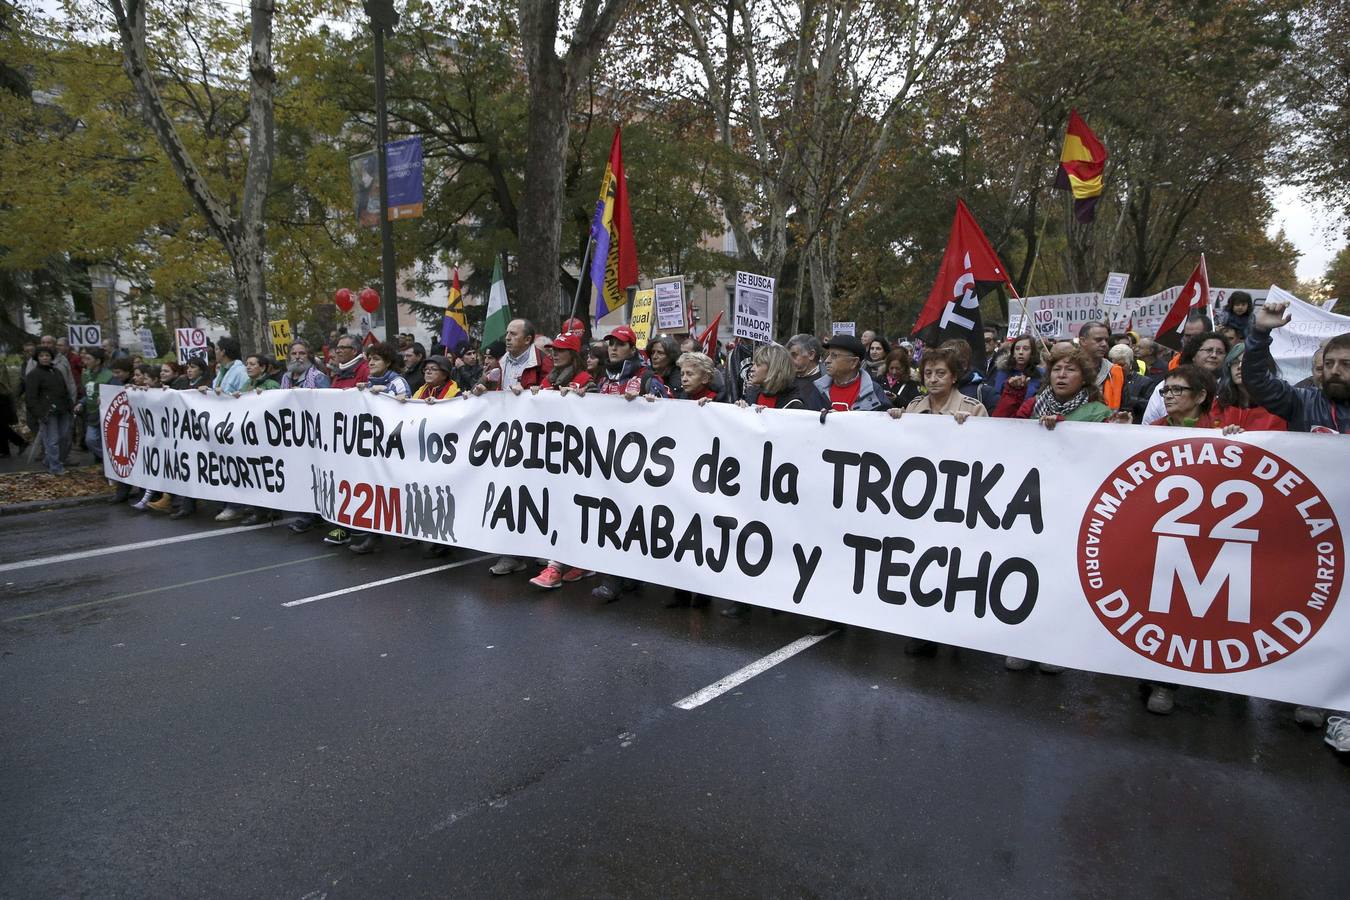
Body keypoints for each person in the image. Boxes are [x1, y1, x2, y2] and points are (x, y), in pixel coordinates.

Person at [528, 332, 598, 588]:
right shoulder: (548, 380)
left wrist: (585, 399)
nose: (555, 354)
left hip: (576, 459)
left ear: (573, 355)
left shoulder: (585, 381)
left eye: (561, 350)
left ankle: (555, 568)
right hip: (552, 458)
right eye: (553, 350)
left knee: (570, 509)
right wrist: (531, 396)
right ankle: (574, 561)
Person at [1243, 298, 1350, 434]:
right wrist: (1260, 332)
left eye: (1346, 364)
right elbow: (1257, 381)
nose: (1334, 371)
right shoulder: (1303, 403)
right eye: (1328, 363)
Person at [345, 343, 412, 555]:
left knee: (399, 489)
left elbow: (408, 409)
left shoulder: (398, 383)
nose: (371, 363)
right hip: (377, 446)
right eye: (370, 359)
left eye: (377, 359)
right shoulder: (369, 383)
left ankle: (410, 533)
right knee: (377, 490)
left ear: (388, 362)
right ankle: (373, 536)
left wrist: (387, 393)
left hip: (396, 447)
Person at [1140, 331, 1230, 425]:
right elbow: (1148, 427)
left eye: (1220, 352)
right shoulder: (1163, 385)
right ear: (1193, 355)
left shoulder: (1230, 389)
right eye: (1209, 350)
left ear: (1200, 396)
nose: (1214, 355)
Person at [890, 345, 986, 421]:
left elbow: (985, 441)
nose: (933, 379)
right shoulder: (914, 405)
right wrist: (896, 418)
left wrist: (970, 424)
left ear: (954, 377)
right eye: (928, 373)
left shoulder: (974, 408)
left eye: (940, 373)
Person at [23, 347, 73, 475]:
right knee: (52, 440)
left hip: (63, 410)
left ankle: (49, 460)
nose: (45, 358)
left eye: (47, 355)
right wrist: (39, 414)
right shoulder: (34, 375)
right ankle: (55, 467)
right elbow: (31, 398)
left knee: (64, 438)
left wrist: (69, 406)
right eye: (41, 356)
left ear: (51, 357)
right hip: (47, 413)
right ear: (37, 358)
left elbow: (65, 390)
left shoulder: (56, 372)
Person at [1213, 345, 1286, 431]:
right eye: (1235, 362)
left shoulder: (1281, 406)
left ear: (1264, 368)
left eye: (1246, 362)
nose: (1239, 366)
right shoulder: (1217, 405)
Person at [814, 335, 890, 412]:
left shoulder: (873, 391)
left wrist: (895, 413)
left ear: (854, 362)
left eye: (834, 356)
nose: (827, 360)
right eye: (828, 355)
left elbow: (886, 420)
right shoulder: (819, 389)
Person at [740, 343, 825, 411]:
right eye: (753, 364)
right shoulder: (751, 395)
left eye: (758, 365)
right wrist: (740, 409)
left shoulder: (794, 405)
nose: (752, 369)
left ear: (773, 368)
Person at [989, 335, 1043, 413]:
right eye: (1017, 349)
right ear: (1013, 353)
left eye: (1025, 349)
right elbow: (995, 396)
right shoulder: (1002, 372)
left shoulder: (1041, 374)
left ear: (1032, 353)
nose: (1021, 352)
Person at [1078, 321, 1125, 410]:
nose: (1104, 344)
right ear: (1083, 341)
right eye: (1098, 340)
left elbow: (1125, 404)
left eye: (1106, 340)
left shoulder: (1114, 371)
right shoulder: (1065, 369)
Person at [80, 348, 116, 462]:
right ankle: (108, 460)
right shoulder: (86, 374)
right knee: (90, 440)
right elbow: (88, 394)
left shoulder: (110, 376)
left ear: (98, 361)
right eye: (85, 359)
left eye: (88, 359)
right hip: (92, 414)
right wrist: (81, 402)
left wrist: (106, 397)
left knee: (107, 441)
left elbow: (119, 392)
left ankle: (110, 463)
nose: (85, 362)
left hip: (107, 415)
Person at [787, 333, 825, 398]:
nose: (790, 360)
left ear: (811, 355)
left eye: (794, 355)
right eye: (788, 356)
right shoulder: (785, 380)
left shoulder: (827, 381)